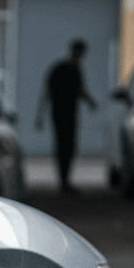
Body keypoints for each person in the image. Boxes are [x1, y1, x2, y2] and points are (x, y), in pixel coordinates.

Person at [36, 39, 98, 193]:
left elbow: (79, 90)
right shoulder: (61, 69)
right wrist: (40, 115)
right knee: (63, 145)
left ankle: (64, 180)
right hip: (60, 113)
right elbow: (47, 92)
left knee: (68, 146)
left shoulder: (74, 69)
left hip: (68, 113)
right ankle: (63, 181)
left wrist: (90, 101)